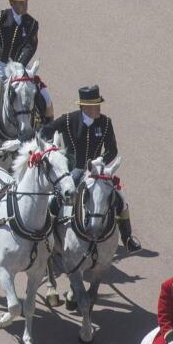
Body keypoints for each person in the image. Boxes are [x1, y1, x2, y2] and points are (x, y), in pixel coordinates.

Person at [39, 86, 140, 252]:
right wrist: (50, 149)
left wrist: (101, 160)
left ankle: (127, 238)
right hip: (74, 170)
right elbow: (45, 131)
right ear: (85, 107)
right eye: (95, 106)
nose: (99, 108)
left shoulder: (106, 122)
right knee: (53, 201)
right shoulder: (68, 119)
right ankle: (46, 236)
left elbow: (112, 150)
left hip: (96, 171)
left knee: (121, 198)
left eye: (99, 105)